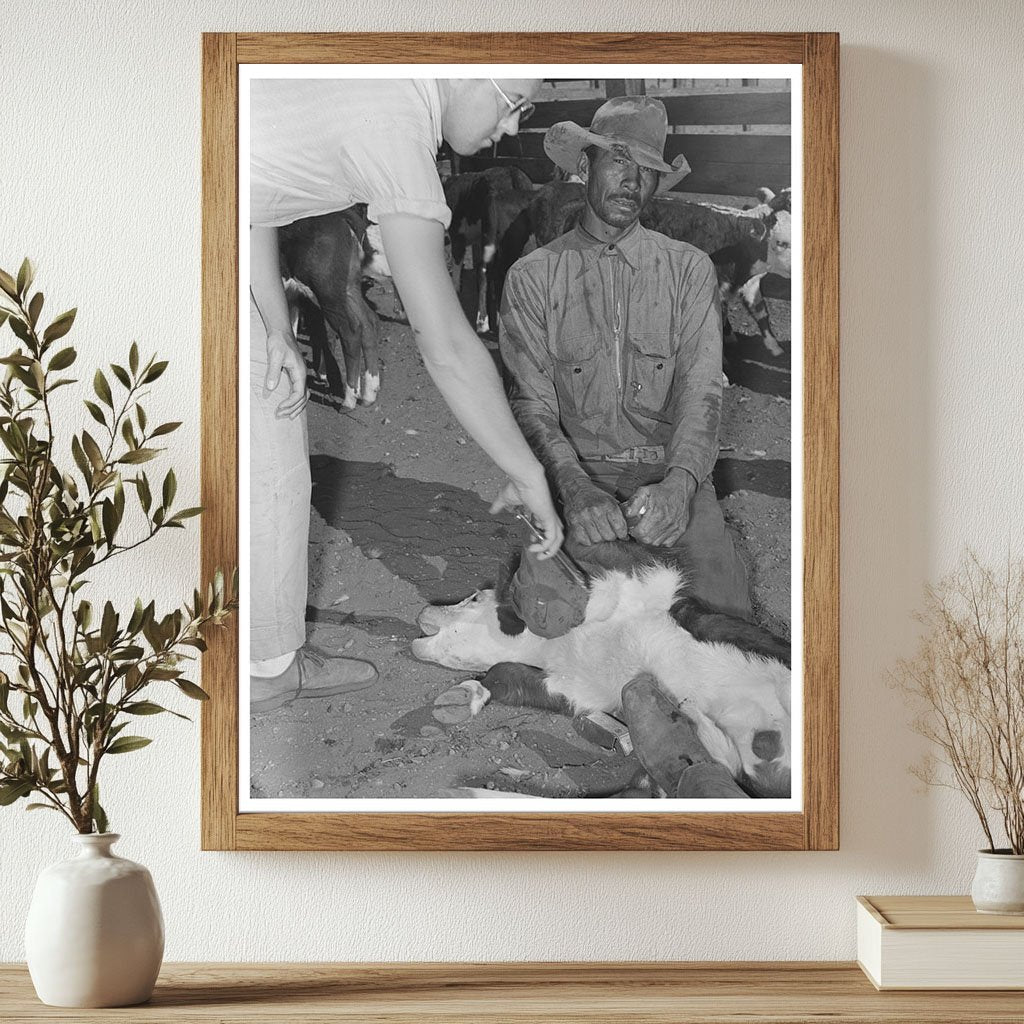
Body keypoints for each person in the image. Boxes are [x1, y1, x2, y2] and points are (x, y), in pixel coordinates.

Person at [248, 78, 564, 712]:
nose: (508, 131)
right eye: (512, 108)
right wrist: (526, 470)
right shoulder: (394, 123)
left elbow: (250, 201)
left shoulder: (385, 90)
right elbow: (445, 341)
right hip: (175, 235)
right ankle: (265, 671)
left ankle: (258, 652)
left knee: (263, 444)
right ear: (475, 70)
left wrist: (278, 327)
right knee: (272, 473)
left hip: (200, 222)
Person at [498, 95, 751, 623]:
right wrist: (575, 489)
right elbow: (532, 404)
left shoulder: (688, 269)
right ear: (585, 166)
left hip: (669, 469)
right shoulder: (534, 276)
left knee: (724, 619)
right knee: (557, 614)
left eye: (647, 170)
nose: (632, 182)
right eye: (618, 160)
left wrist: (681, 487)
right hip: (577, 474)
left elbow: (702, 392)